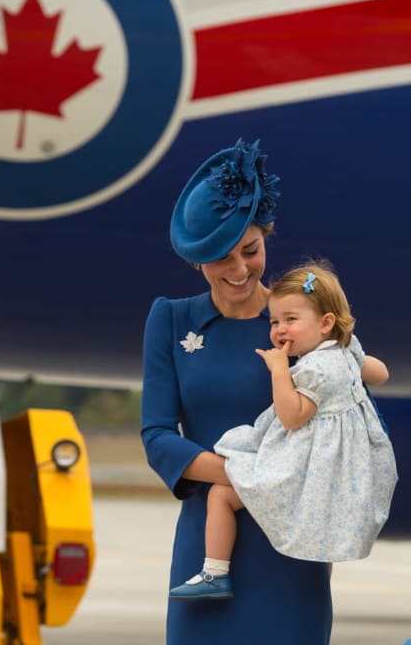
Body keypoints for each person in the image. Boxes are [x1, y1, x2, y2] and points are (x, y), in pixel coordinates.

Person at [141, 138, 334, 644]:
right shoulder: (170, 319)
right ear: (196, 260)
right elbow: (158, 435)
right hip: (208, 552)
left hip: (292, 549)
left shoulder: (305, 326)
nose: (239, 270)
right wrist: (244, 475)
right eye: (219, 259)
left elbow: (345, 428)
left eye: (250, 250)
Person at [168, 261, 398, 602]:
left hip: (305, 465)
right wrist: (354, 368)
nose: (278, 329)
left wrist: (280, 370)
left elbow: (293, 417)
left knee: (222, 493)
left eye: (291, 320)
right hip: (340, 469)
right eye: (275, 321)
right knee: (320, 540)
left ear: (325, 323)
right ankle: (319, 590)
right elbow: (379, 373)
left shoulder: (315, 369)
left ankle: (214, 571)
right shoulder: (345, 351)